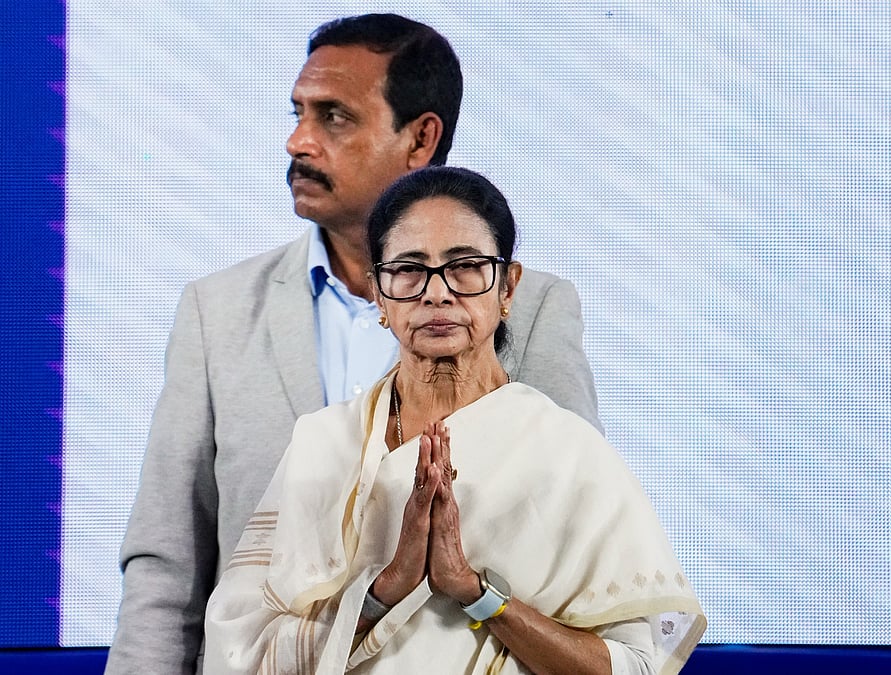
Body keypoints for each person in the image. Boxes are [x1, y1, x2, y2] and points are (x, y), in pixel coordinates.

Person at [107, 15, 601, 674]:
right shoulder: (217, 312)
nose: (298, 140)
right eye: (298, 113)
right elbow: (165, 574)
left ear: (421, 138)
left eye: (334, 117)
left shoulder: (531, 308)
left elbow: (582, 552)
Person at [203, 166, 704, 674]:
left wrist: (475, 592)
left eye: (465, 266)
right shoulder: (324, 446)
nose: (437, 293)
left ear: (508, 288)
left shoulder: (569, 453)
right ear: (377, 291)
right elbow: (242, 649)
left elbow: (635, 667)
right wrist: (385, 589)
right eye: (409, 269)